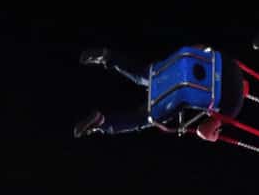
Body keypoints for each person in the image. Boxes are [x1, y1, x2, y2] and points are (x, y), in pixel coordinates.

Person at [74, 47, 245, 141]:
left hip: (179, 65)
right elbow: (203, 130)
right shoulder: (232, 110)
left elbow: (200, 48)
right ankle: (102, 123)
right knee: (146, 117)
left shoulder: (234, 66)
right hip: (181, 92)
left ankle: (108, 57)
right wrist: (213, 136)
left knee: (147, 75)